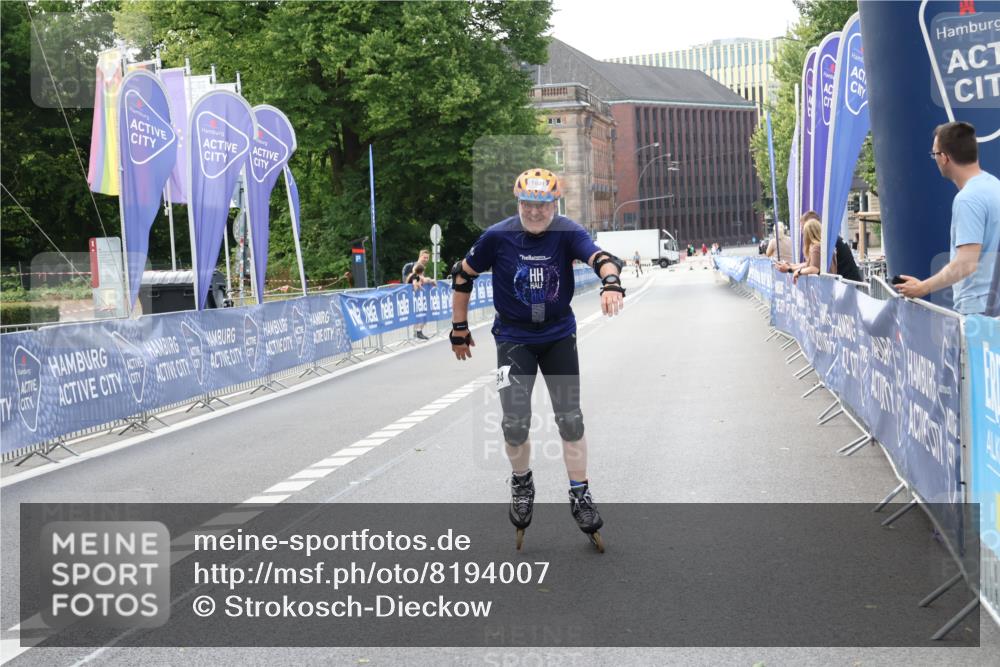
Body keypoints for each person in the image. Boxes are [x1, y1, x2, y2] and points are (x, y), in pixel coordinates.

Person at [449, 168, 624, 552]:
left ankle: (580, 494)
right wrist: (459, 328)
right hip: (511, 340)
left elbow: (602, 258)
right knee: (514, 422)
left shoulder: (567, 231)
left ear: (554, 203)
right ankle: (522, 481)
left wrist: (611, 283)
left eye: (542, 204)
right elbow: (462, 275)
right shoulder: (498, 236)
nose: (534, 211)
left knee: (570, 418)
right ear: (519, 203)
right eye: (528, 204)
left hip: (559, 336)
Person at [895, 121, 1000, 316]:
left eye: (934, 153)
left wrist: (922, 288)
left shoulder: (967, 199)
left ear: (944, 158)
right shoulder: (995, 186)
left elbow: (966, 263)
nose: (934, 158)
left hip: (980, 311)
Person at [406, 264, 434, 340]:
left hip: (414, 299)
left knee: (419, 316)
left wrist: (421, 287)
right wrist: (417, 288)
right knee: (418, 316)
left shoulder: (414, 276)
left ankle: (418, 333)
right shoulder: (415, 276)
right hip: (412, 298)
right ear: (422, 271)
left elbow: (420, 282)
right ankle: (417, 333)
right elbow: (414, 284)